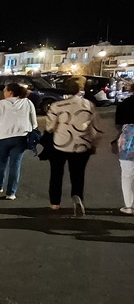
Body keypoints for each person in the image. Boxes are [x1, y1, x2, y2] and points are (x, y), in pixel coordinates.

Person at [44, 75, 103, 216]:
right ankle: (77, 197)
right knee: (78, 175)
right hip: (82, 144)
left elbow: (50, 127)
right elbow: (96, 128)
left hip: (60, 144)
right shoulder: (89, 105)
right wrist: (94, 143)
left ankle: (55, 203)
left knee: (56, 173)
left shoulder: (57, 105)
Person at [0, 82, 38, 200]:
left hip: (2, 137)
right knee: (15, 165)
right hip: (21, 137)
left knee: (2, 163)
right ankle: (11, 193)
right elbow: (34, 122)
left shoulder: (2, 104)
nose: (4, 93)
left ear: (10, 92)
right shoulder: (27, 103)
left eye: (5, 91)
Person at [112, 81, 134, 215]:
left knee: (127, 174)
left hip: (128, 139)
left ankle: (129, 206)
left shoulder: (124, 104)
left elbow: (118, 124)